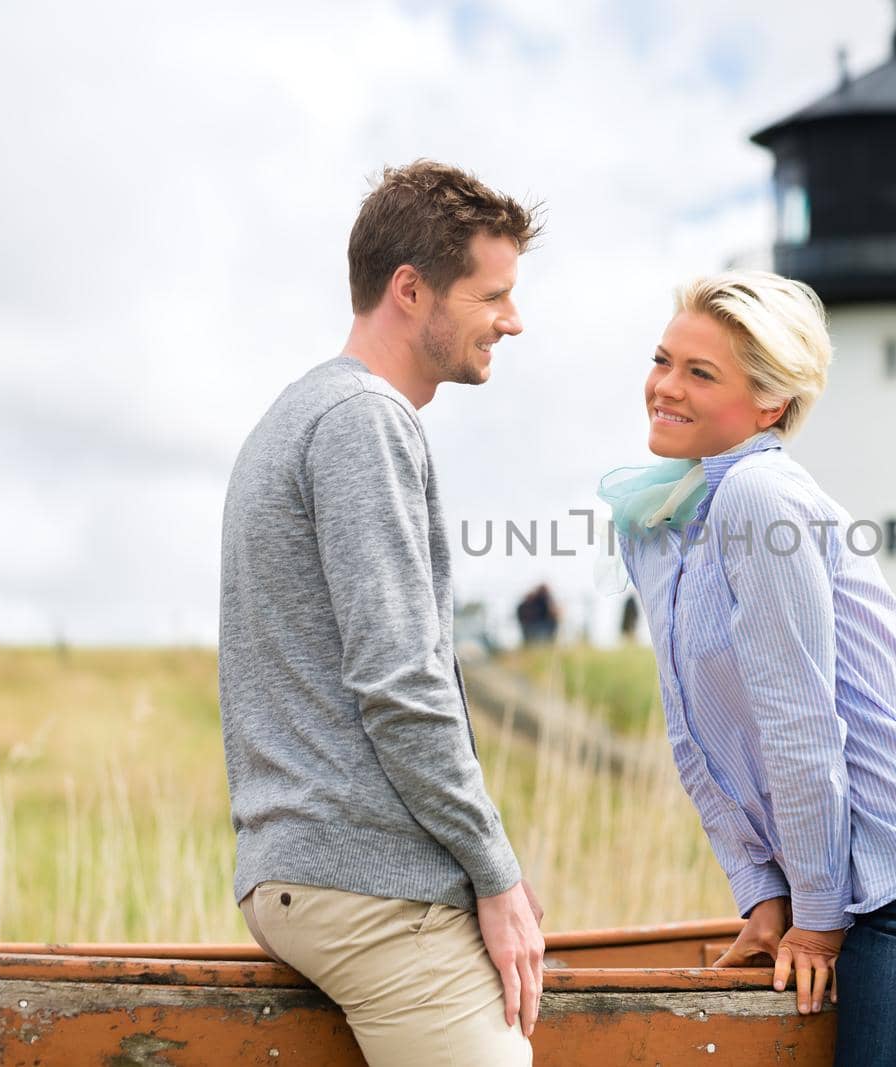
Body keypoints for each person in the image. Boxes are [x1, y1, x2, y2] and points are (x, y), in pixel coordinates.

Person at [598, 271, 896, 1066]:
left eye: (700, 372)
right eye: (663, 359)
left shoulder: (761, 493)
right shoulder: (652, 522)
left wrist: (816, 915)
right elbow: (691, 728)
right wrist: (760, 890)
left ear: (770, 406)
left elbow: (801, 724)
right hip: (829, 895)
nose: (665, 387)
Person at [219, 160, 544, 1066]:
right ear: (411, 289)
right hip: (368, 885)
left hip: (307, 872)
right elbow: (403, 683)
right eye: (494, 294)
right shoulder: (363, 421)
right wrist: (498, 871)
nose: (512, 320)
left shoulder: (300, 413)